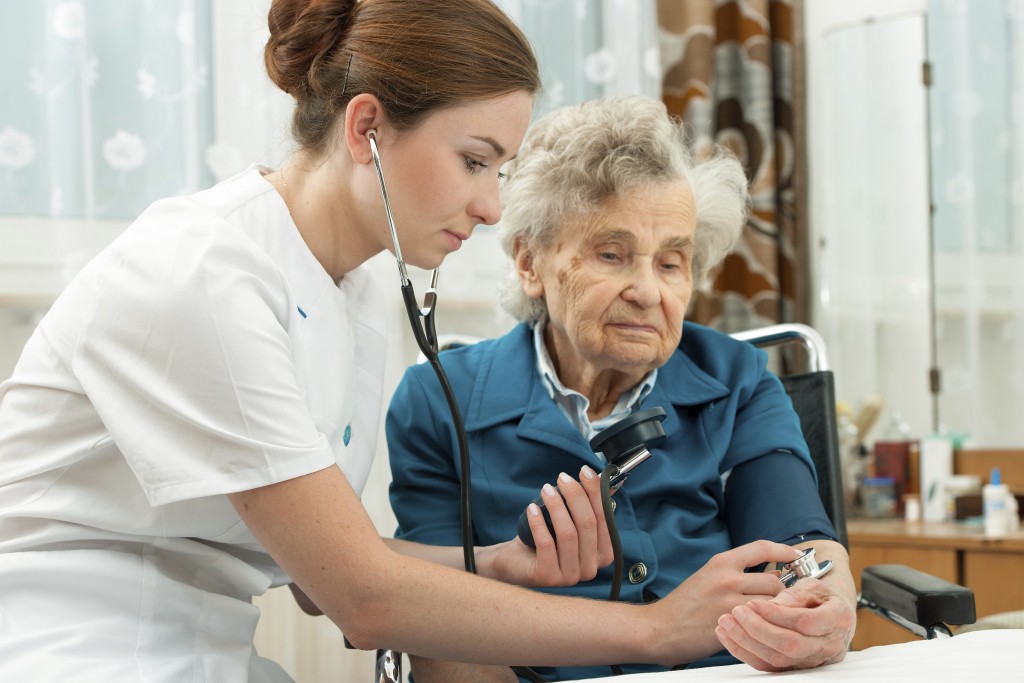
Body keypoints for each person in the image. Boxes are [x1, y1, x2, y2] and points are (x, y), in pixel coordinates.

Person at [0, 2, 813, 681]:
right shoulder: (208, 274)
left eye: (503, 169)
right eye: (474, 161)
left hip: (202, 644)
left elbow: (324, 573)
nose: (494, 207)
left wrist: (498, 565)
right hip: (79, 643)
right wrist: (659, 631)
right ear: (367, 131)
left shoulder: (348, 284)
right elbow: (362, 599)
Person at [387, 95, 859, 682]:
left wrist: (829, 603)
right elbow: (431, 610)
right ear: (530, 263)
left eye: (671, 263)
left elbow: (803, 547)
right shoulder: (438, 401)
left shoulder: (738, 379)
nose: (647, 291)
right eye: (612, 255)